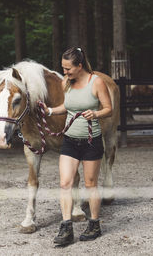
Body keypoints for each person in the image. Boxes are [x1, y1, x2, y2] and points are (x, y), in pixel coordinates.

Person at [43, 47, 112, 245]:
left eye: (68, 69)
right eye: (63, 68)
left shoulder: (95, 82)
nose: (65, 72)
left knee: (90, 184)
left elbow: (109, 108)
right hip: (70, 141)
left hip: (91, 141)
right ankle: (66, 228)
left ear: (79, 65)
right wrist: (49, 110)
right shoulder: (66, 83)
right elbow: (67, 106)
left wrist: (96, 114)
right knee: (65, 183)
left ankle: (94, 224)